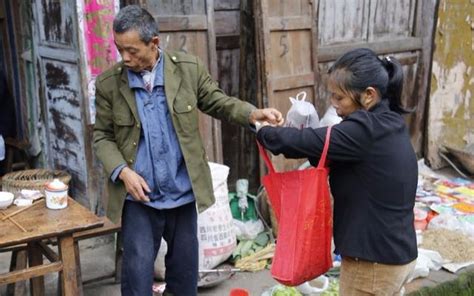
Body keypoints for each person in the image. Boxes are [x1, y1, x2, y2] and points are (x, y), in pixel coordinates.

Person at [93, 5, 283, 296]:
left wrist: (253, 113)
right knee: (137, 279)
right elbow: (102, 137)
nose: (125, 58)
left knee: (184, 279)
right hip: (139, 198)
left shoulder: (187, 69)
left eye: (132, 50)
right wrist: (124, 172)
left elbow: (218, 102)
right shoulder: (109, 84)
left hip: (181, 194)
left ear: (154, 43)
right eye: (120, 50)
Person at [257, 48, 417, 295]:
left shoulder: (364, 130)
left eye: (339, 98)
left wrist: (262, 130)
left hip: (373, 262)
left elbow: (306, 142)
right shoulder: (388, 122)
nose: (334, 105)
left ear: (368, 95)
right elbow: (326, 149)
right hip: (394, 254)